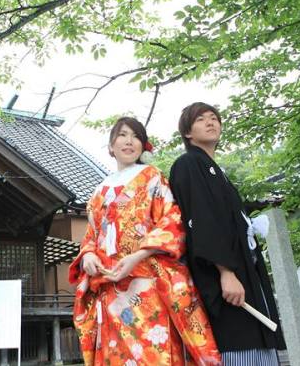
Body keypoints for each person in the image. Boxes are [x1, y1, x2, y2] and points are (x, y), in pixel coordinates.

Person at [69, 116, 220, 365]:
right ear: (110, 146)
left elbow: (172, 220)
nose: (129, 142)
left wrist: (137, 256)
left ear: (143, 145)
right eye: (123, 135)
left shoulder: (152, 177)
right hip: (110, 284)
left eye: (136, 136)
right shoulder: (99, 191)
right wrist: (88, 255)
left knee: (153, 350)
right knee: (116, 353)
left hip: (147, 279)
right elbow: (92, 235)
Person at [169, 103, 285, 366]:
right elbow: (202, 219)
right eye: (201, 119)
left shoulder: (215, 170)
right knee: (239, 343)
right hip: (224, 275)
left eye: (214, 118)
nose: (211, 122)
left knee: (258, 341)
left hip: (245, 273)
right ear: (187, 132)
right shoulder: (188, 164)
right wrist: (225, 272)